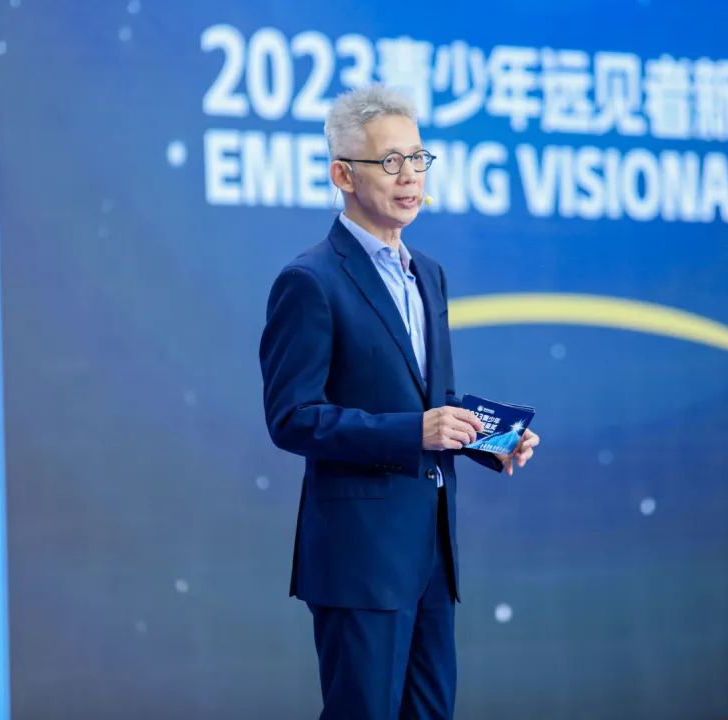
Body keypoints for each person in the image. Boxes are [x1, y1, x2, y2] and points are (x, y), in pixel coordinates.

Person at [259, 84, 540, 720]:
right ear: (343, 175)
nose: (410, 176)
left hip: (431, 554)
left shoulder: (428, 274)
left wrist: (492, 440)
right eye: (390, 161)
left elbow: (432, 400)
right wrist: (414, 432)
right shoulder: (310, 281)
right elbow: (292, 417)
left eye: (417, 158)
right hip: (360, 557)